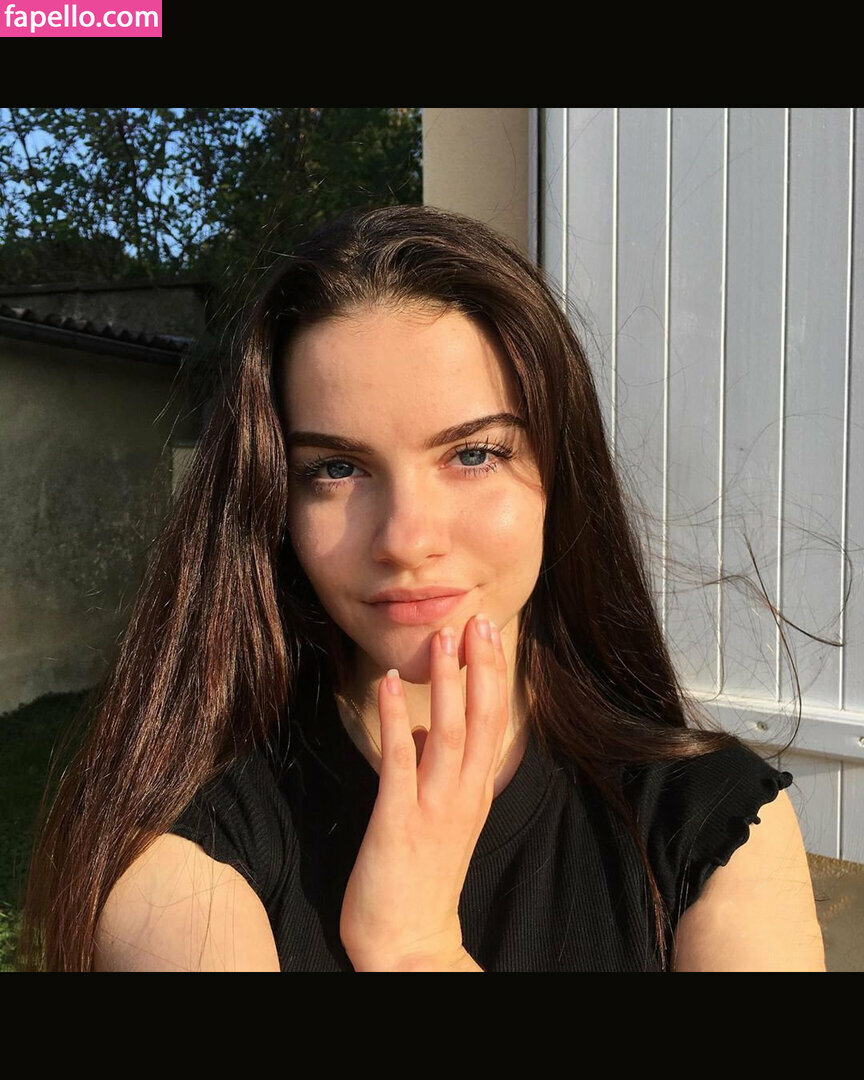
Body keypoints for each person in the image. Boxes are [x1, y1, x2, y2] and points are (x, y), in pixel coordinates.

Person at [19, 205, 825, 972]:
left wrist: (415, 950)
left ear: (561, 476)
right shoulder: (188, 849)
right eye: (336, 468)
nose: (405, 539)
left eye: (473, 454)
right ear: (274, 503)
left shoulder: (713, 825)